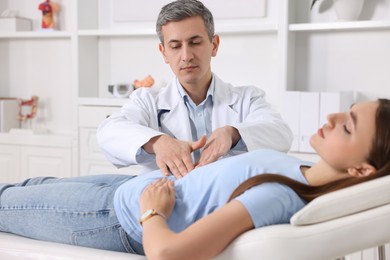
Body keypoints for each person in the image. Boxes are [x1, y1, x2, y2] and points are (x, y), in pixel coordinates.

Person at [1, 99, 389, 259]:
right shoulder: (297, 170)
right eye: (346, 112)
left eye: (348, 128)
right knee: (25, 187)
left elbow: (169, 255)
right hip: (125, 188)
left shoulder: (281, 196)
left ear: (361, 171)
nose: (332, 118)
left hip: (115, 217)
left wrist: (152, 213)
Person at [97, 0, 292, 178]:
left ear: (214, 45)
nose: (186, 56)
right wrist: (158, 142)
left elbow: (281, 134)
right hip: (168, 203)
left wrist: (233, 134)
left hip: (228, 201)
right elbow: (109, 132)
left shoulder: (246, 98)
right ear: (163, 52)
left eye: (195, 43)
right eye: (175, 46)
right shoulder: (147, 100)